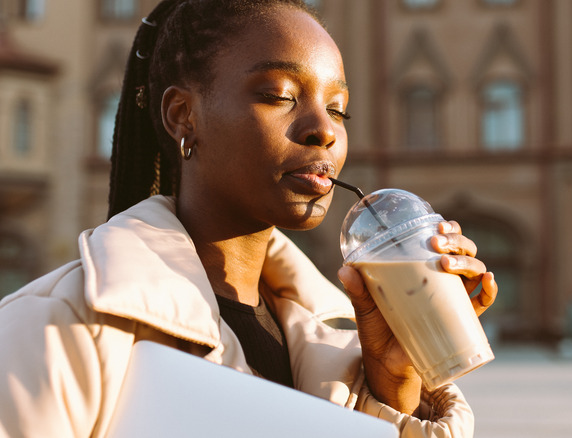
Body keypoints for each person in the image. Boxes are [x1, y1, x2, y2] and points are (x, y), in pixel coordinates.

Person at [0, 1, 498, 437]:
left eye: (338, 109)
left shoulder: (334, 349)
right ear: (182, 116)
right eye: (280, 95)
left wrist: (393, 384)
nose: (323, 129)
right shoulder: (54, 329)